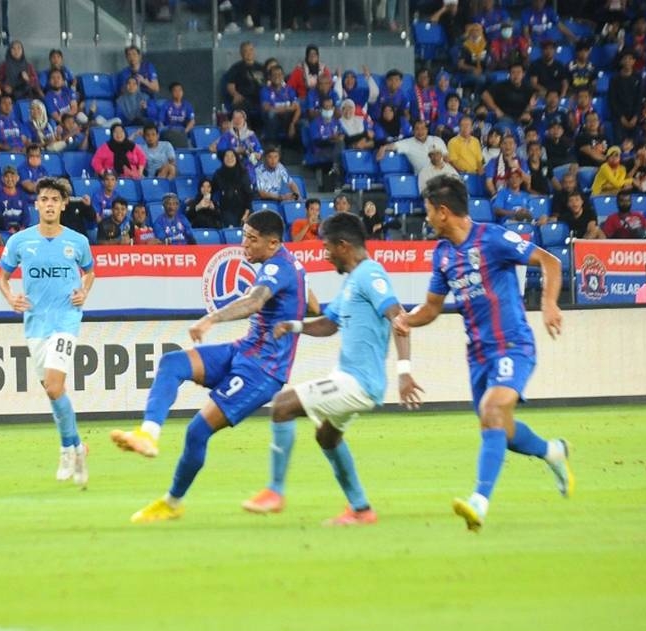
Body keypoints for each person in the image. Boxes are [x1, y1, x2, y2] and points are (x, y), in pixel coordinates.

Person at [393, 175, 573, 531]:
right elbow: (430, 308)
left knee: (491, 411)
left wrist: (549, 303)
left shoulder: (492, 238)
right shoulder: (442, 255)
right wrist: (408, 320)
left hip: (513, 346)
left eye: (429, 211)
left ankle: (479, 502)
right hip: (477, 355)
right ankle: (552, 451)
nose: (426, 218)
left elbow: (550, 262)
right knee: (498, 427)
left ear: (443, 212)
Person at [112, 210, 311, 522]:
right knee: (173, 362)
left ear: (273, 243)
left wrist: (211, 318)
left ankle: (172, 502)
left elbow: (254, 302)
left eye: (251, 239)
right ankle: (148, 433)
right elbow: (311, 303)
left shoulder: (277, 266)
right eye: (244, 235)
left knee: (197, 431)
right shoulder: (290, 264)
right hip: (245, 350)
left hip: (263, 370)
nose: (244, 243)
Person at [242, 212, 423, 522]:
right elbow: (330, 323)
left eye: (327, 248)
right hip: (347, 377)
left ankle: (274, 491)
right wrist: (294, 325)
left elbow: (399, 317)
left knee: (283, 406)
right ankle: (361, 509)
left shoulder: (370, 274)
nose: (325, 256)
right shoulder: (354, 281)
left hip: (360, 382)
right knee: (327, 437)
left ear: (343, 246)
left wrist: (404, 371)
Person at [0, 178, 94, 486]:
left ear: (64, 204)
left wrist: (84, 291)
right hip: (35, 324)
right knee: (54, 393)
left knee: (54, 387)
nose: (50, 204)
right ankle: (78, 445)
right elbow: (2, 277)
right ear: (36, 204)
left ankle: (67, 449)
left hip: (66, 320)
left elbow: (90, 272)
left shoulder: (77, 241)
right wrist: (11, 296)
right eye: (44, 199)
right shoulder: (20, 242)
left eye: (55, 199)